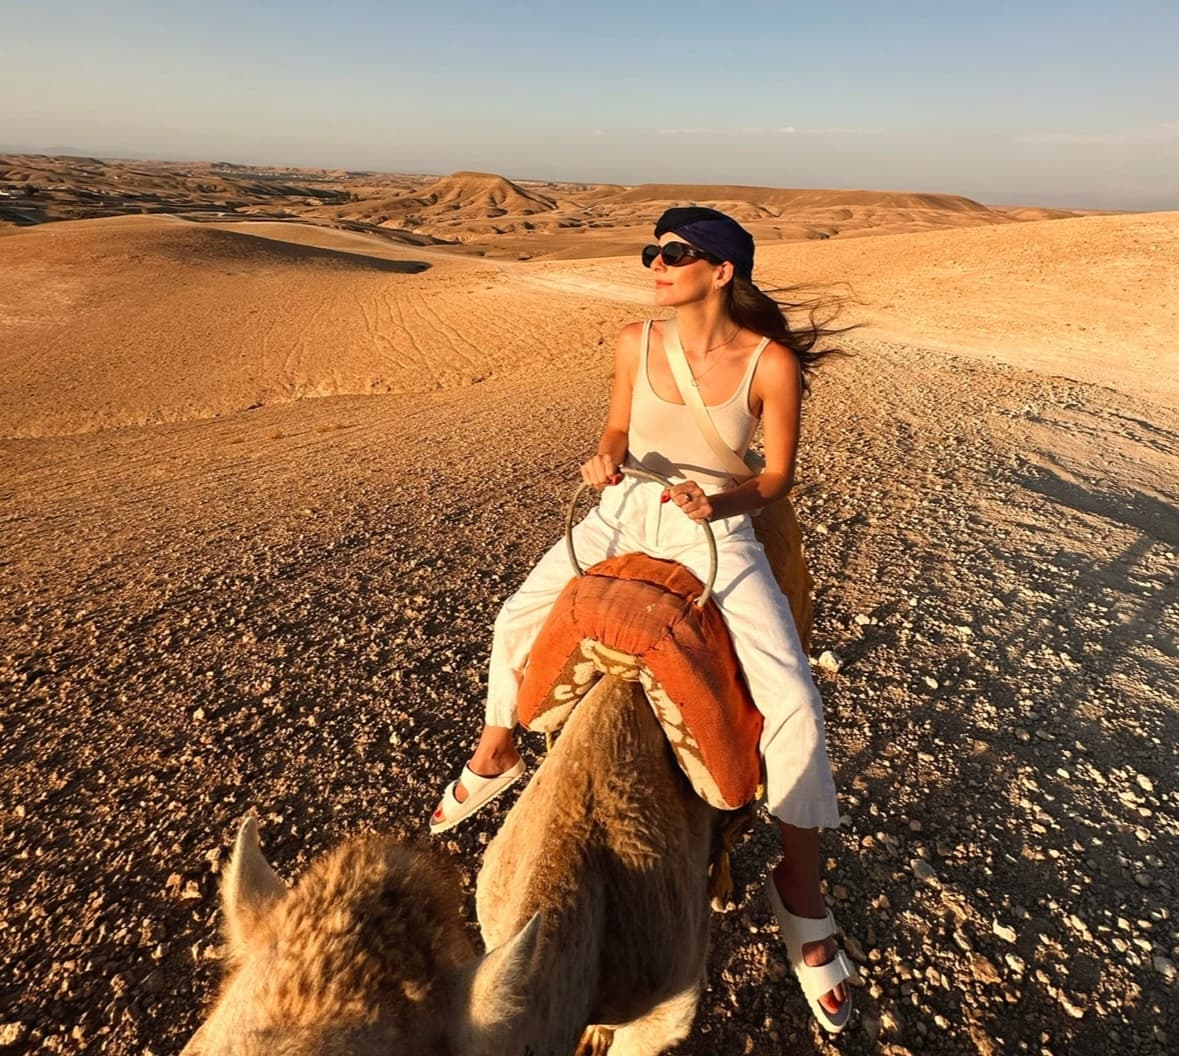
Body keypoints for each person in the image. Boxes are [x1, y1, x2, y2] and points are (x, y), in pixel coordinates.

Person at [431, 206, 853, 1032]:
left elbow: (775, 479)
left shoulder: (769, 364)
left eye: (673, 254)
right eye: (650, 251)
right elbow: (619, 426)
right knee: (514, 620)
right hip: (622, 514)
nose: (654, 264)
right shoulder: (634, 340)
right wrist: (605, 458)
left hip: (713, 531)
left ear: (721, 271)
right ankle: (498, 748)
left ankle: (798, 892)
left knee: (795, 703)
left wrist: (715, 499)